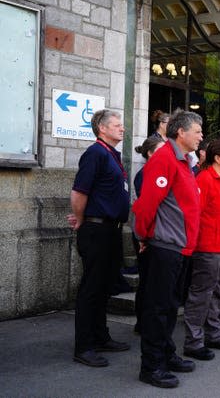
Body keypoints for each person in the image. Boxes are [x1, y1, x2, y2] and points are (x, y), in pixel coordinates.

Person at [133, 110, 203, 388]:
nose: (201, 136)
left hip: (180, 248)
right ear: (180, 132)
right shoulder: (164, 158)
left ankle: (166, 353)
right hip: (164, 246)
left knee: (171, 307)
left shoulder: (184, 161)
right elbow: (147, 204)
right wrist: (144, 236)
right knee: (157, 308)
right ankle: (151, 366)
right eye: (197, 130)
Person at [67, 109, 131, 368]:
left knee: (105, 287)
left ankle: (101, 336)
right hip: (96, 229)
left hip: (112, 229)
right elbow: (79, 192)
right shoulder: (95, 153)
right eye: (116, 125)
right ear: (102, 129)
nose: (122, 128)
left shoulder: (112, 155)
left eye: (122, 125)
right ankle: (84, 346)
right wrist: (80, 219)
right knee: (92, 289)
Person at [183, 139, 220, 362]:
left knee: (216, 291)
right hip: (208, 247)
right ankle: (193, 341)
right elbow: (194, 213)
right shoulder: (205, 179)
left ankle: (213, 334)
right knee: (201, 293)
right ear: (217, 158)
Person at [132, 136, 165, 334]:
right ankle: (142, 321)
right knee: (146, 280)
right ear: (151, 153)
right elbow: (147, 206)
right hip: (147, 233)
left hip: (155, 232)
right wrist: (144, 236)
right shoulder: (145, 174)